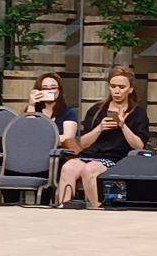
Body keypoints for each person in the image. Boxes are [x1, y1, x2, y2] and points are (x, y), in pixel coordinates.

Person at [56, 66, 149, 209]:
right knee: (68, 167)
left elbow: (139, 146)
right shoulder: (96, 110)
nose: (117, 91)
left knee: (90, 169)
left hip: (116, 157)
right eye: (113, 86)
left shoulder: (138, 113)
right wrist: (99, 128)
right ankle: (64, 207)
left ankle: (98, 209)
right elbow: (83, 144)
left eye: (122, 87)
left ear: (131, 89)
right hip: (90, 154)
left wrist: (123, 126)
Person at [25, 72, 79, 144]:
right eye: (45, 88)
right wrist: (31, 105)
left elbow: (68, 137)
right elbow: (28, 131)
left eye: (53, 88)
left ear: (59, 90)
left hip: (58, 152)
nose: (49, 91)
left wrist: (41, 139)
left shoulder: (68, 112)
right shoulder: (35, 110)